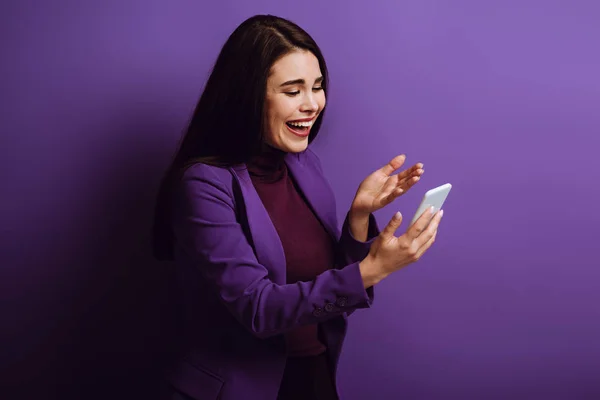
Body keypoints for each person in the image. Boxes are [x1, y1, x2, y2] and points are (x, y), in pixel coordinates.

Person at [152, 14, 443, 400]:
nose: (312, 104)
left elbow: (328, 294)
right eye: (293, 91)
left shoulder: (304, 165)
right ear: (249, 96)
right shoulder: (204, 185)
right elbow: (260, 308)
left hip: (313, 375)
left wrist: (358, 217)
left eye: (317, 87)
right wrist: (374, 269)